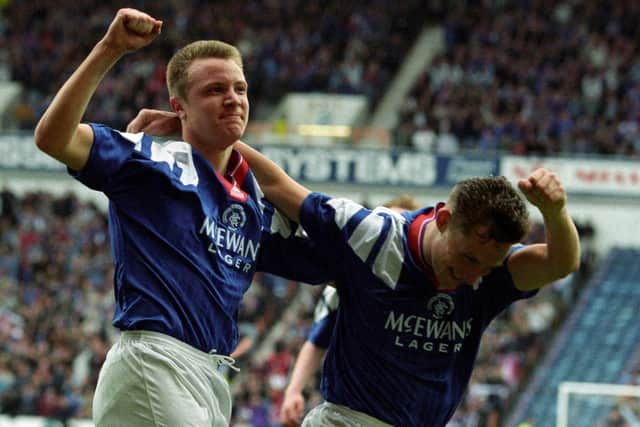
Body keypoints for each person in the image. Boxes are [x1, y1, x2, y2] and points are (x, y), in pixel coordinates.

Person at [127, 121, 580, 426]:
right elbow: (284, 188)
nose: (472, 275)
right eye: (466, 258)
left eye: (487, 265)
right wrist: (204, 134)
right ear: (443, 219)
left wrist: (556, 213)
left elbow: (562, 262)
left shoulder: (492, 272)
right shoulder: (372, 236)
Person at [34, 8, 324, 427]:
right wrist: (109, 49)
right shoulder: (148, 159)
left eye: (240, 88)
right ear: (178, 105)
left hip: (209, 376)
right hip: (155, 361)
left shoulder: (249, 200)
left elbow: (322, 250)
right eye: (214, 90)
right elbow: (53, 137)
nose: (233, 98)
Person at [280, 195, 420, 427]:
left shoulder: (430, 287)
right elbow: (317, 340)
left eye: (401, 223)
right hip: (349, 413)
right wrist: (294, 390)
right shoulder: (349, 283)